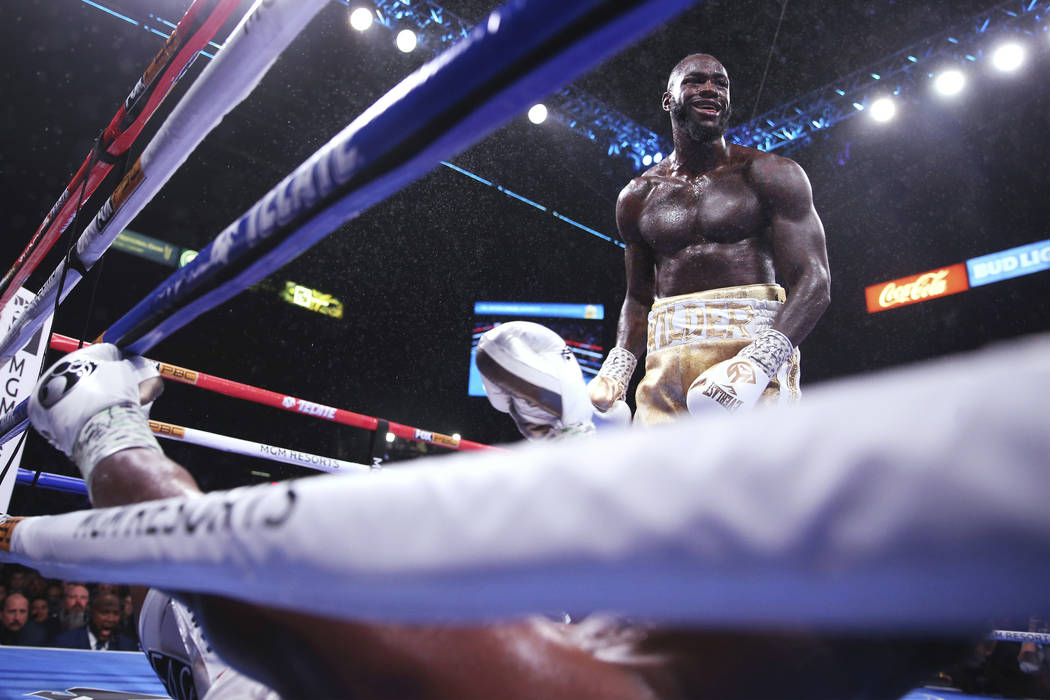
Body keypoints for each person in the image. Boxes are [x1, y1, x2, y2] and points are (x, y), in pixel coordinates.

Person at [14, 341, 989, 699]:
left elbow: (231, 566)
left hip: (260, 655)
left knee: (205, 625)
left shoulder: (560, 683)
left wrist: (104, 426)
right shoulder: (667, 628)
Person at [588, 54, 831, 424]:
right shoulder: (637, 197)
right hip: (665, 368)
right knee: (658, 480)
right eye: (695, 81)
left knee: (753, 478)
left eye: (721, 83)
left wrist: (760, 361)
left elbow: (814, 281)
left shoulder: (771, 174)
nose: (710, 89)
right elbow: (638, 298)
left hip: (749, 354)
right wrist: (617, 368)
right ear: (668, 99)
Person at [51, 591, 138, 651]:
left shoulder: (127, 647)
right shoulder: (65, 642)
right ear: (91, 613)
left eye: (115, 613)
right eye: (105, 613)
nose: (111, 619)